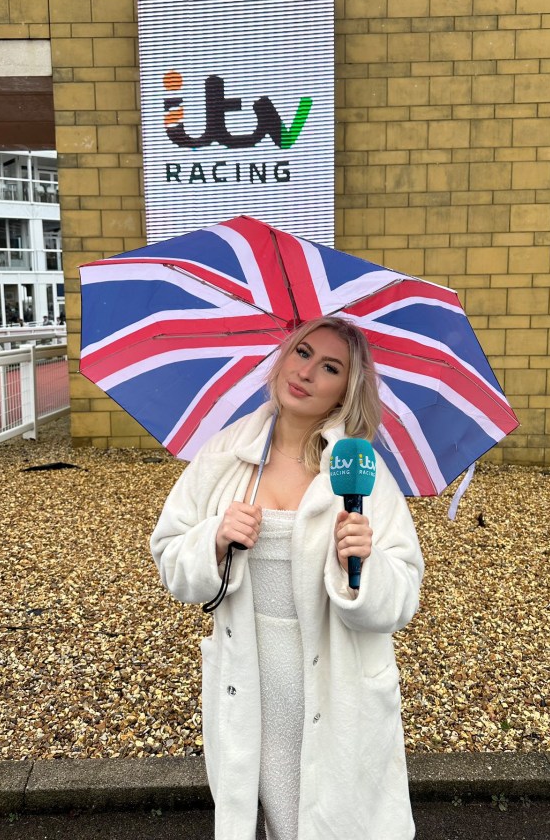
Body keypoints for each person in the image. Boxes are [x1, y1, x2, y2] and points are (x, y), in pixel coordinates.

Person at [150, 317, 424, 840]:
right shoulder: (225, 455)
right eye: (301, 353)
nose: (306, 373)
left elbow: (403, 592)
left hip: (335, 680)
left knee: (336, 819)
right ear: (281, 357)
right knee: (275, 813)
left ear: (347, 388)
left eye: (330, 367)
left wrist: (360, 566)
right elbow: (169, 554)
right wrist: (214, 538)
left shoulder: (359, 471)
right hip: (253, 678)